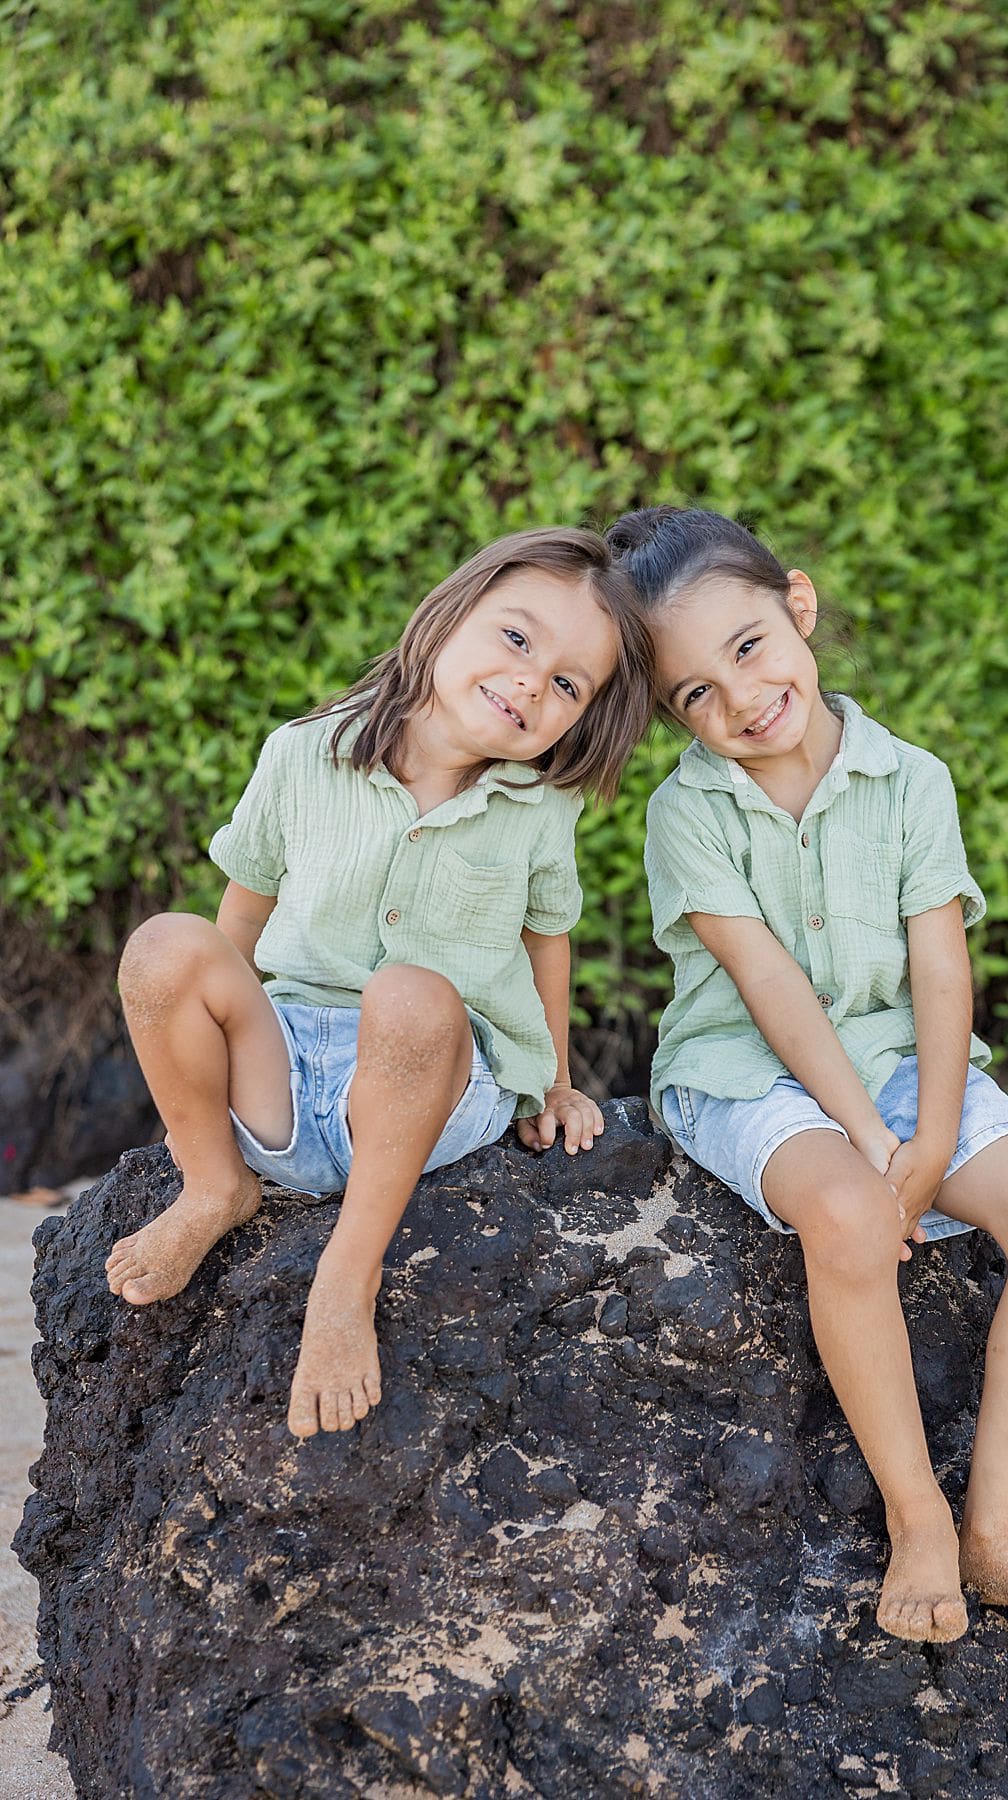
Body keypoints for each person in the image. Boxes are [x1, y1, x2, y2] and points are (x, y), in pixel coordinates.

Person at [607, 504, 1008, 1649]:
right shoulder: (686, 813)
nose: (738, 699)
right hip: (745, 1070)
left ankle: (999, 1529)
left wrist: (932, 1133)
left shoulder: (909, 779)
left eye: (747, 649)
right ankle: (919, 1519)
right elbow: (770, 991)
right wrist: (871, 1146)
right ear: (665, 713)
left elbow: (941, 966)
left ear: (797, 606)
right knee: (846, 1214)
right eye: (694, 692)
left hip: (900, 1062)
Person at [106, 527, 654, 1440]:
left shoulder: (538, 808)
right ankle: (213, 1187)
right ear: (447, 620)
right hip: (285, 1080)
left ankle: (344, 1280)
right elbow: (237, 922)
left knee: (411, 993)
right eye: (517, 640)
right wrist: (214, 1071)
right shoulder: (301, 753)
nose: (530, 682)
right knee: (166, 945)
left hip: (430, 1092)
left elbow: (544, 938)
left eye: (567, 684)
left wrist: (553, 1078)